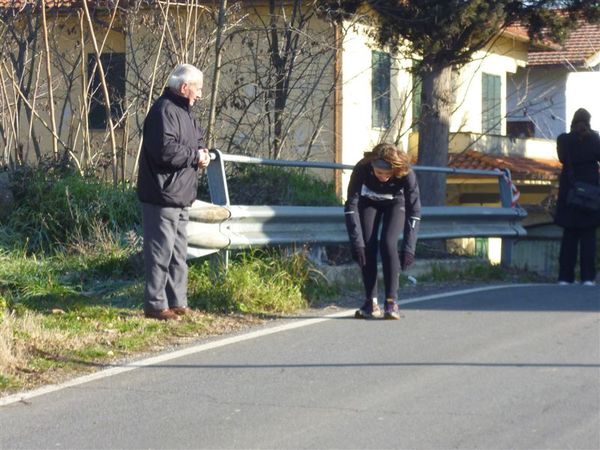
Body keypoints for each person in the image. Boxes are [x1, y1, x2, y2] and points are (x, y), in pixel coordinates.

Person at [137, 64, 211, 320]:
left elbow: (197, 142)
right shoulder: (163, 111)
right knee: (160, 253)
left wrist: (204, 154)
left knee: (178, 253)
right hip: (162, 195)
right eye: (198, 88)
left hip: (180, 195)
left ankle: (178, 302)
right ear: (184, 87)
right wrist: (194, 156)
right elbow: (165, 151)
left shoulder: (185, 112)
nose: (200, 94)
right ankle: (156, 305)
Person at [344, 143, 421, 319]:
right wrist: (357, 243)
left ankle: (391, 302)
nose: (383, 178)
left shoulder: (406, 173)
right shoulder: (362, 167)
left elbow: (414, 212)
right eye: (379, 173)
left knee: (388, 243)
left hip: (395, 203)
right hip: (368, 202)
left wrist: (409, 248)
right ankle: (370, 302)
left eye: (388, 174)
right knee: (367, 246)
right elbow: (351, 206)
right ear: (372, 166)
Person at [555, 108, 600, 286]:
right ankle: (588, 278)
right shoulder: (595, 140)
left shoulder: (563, 140)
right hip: (590, 196)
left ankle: (565, 277)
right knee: (588, 238)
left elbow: (561, 158)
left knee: (569, 238)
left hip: (569, 195)